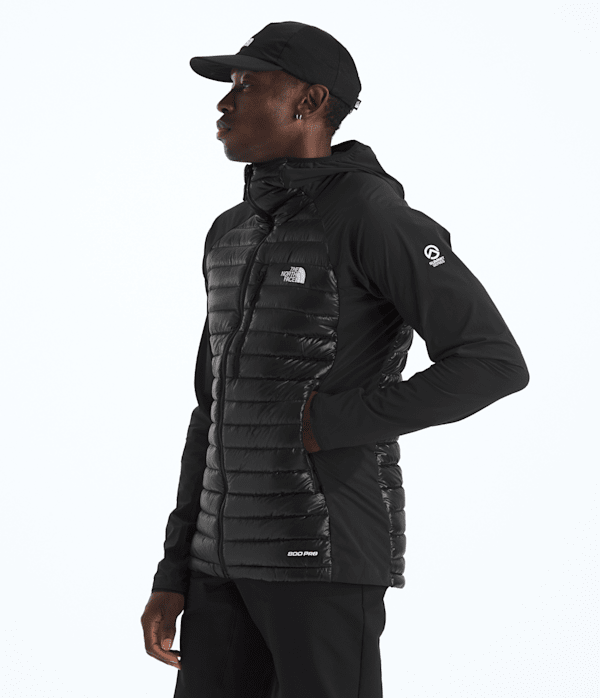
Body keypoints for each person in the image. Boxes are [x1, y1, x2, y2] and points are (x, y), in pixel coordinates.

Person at [140, 21, 530, 698]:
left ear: (310, 101)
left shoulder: (371, 215)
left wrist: (334, 422)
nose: (224, 102)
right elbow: (211, 410)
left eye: (247, 84)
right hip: (218, 565)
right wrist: (175, 569)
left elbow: (492, 361)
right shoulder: (230, 233)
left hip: (324, 554)